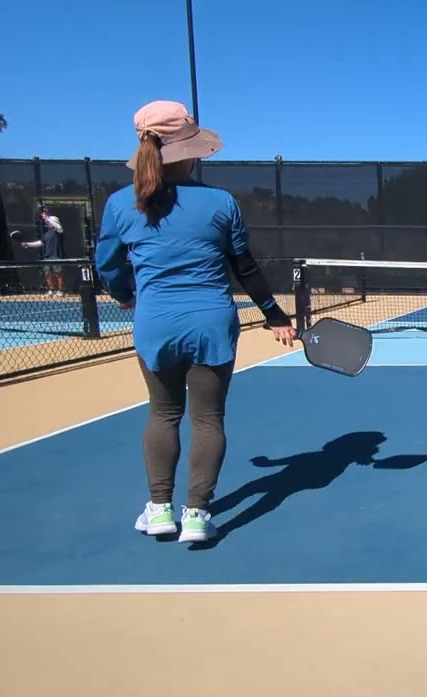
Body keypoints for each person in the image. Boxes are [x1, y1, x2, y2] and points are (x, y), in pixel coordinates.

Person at [94, 100, 296, 544]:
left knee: (163, 413)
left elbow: (107, 267)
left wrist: (125, 294)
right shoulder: (220, 202)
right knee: (209, 420)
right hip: (212, 324)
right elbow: (244, 267)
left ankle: (160, 509)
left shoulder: (119, 204)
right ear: (188, 150)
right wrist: (275, 316)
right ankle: (198, 515)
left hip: (155, 323)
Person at [20, 206, 67, 296]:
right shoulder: (47, 234)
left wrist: (47, 218)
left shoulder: (58, 231)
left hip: (57, 256)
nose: (47, 223)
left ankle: (61, 291)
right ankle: (51, 290)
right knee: (47, 274)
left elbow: (58, 227)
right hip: (47, 256)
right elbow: (40, 243)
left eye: (49, 222)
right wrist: (28, 244)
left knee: (58, 274)